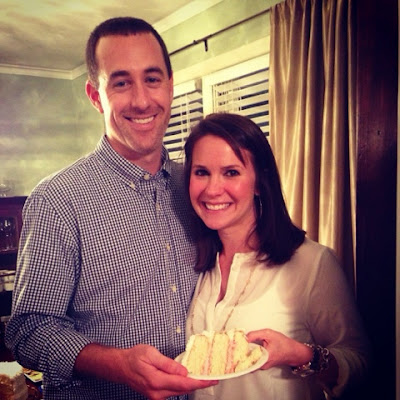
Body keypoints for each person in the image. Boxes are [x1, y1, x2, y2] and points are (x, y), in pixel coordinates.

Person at [5, 17, 216, 400]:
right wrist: (117, 364)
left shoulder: (199, 188)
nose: (141, 100)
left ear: (170, 85)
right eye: (121, 83)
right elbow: (28, 330)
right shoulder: (58, 199)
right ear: (95, 96)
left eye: (152, 79)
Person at [183, 112, 370, 399]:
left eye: (231, 172)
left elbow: (360, 364)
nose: (212, 189)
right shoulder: (197, 262)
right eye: (201, 172)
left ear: (260, 182)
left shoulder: (312, 263)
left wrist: (303, 355)